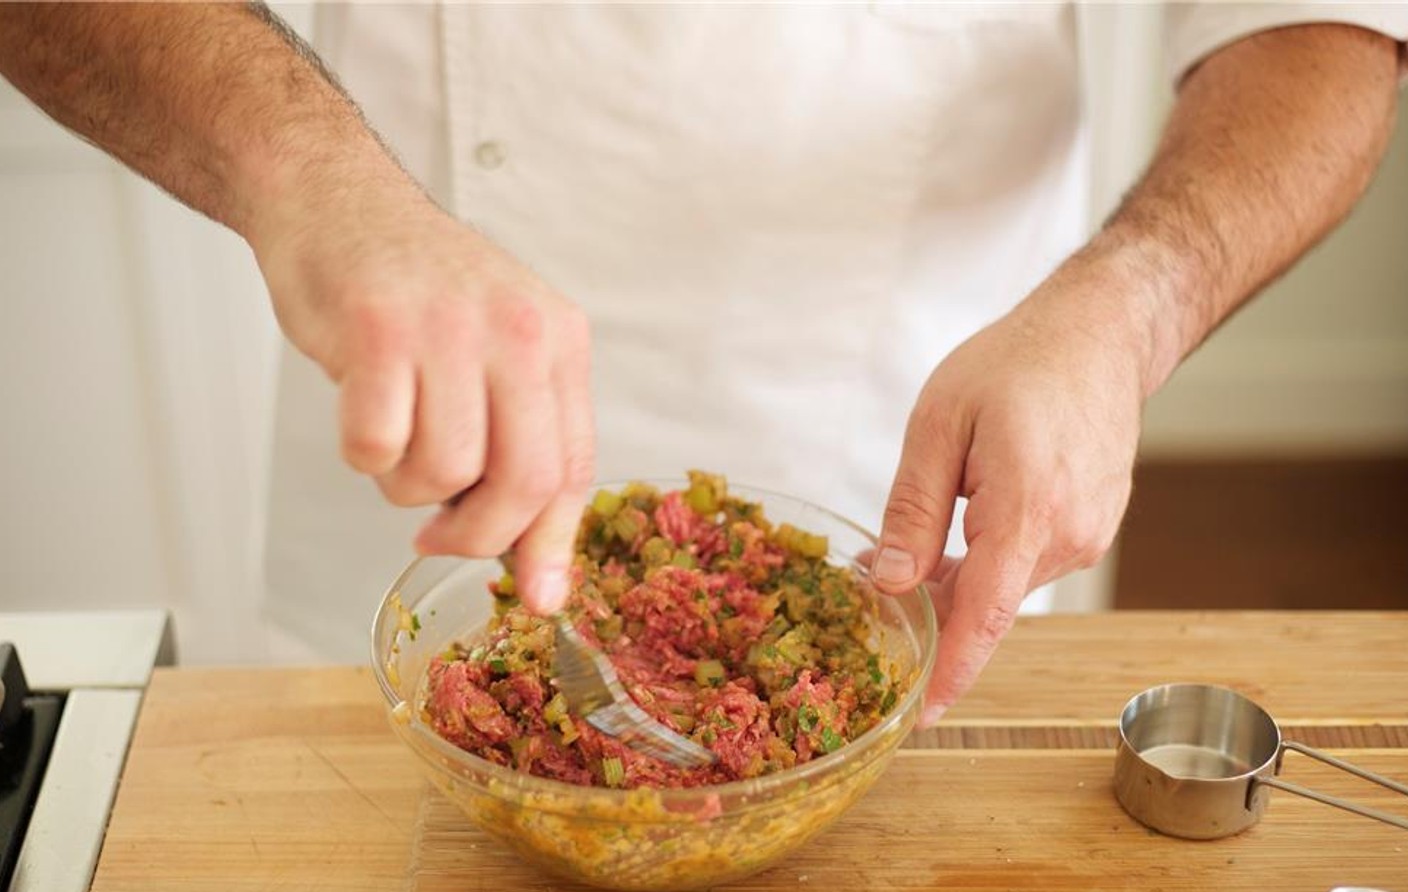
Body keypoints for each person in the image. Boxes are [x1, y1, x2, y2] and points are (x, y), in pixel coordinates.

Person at [0, 3, 1403, 726]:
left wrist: (1132, 304)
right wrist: (304, 171)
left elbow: (1316, 27)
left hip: (921, 459)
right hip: (415, 444)